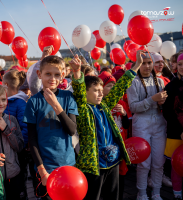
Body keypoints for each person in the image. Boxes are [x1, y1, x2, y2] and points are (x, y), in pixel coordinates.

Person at [70, 50, 141, 200]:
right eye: (95, 91)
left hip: (113, 162)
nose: (100, 94)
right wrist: (77, 72)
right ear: (86, 92)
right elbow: (78, 90)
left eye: (101, 90)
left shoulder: (104, 106)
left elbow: (119, 88)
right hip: (95, 165)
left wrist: (136, 66)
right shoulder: (83, 109)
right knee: (92, 196)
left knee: (113, 196)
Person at [23, 55, 79, 200]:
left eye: (56, 74)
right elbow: (32, 139)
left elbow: (72, 130)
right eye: (48, 74)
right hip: (45, 169)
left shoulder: (68, 97)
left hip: (68, 164)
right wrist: (42, 171)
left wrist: (56, 106)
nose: (52, 78)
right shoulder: (33, 102)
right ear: (39, 74)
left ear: (62, 76)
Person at [127, 52, 167, 200]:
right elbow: (133, 107)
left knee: (158, 162)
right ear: (138, 64)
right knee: (143, 163)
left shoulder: (160, 82)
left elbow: (164, 105)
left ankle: (156, 191)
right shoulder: (133, 82)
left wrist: (163, 102)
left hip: (159, 124)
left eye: (150, 62)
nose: (147, 66)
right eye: (143, 63)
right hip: (141, 124)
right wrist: (152, 99)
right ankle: (141, 193)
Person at [0, 83, 24, 200]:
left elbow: (19, 146)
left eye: (3, 99)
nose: (1, 103)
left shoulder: (12, 120)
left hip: (14, 175)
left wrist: (7, 130)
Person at [98, 71, 131, 200]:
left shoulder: (121, 103)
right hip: (106, 148)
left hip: (120, 145)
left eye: (114, 85)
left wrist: (123, 114)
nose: (113, 88)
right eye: (109, 85)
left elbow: (127, 126)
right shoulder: (100, 105)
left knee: (120, 175)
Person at [2, 70, 31, 198]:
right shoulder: (5, 101)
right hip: (6, 151)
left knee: (19, 185)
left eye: (2, 83)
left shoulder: (20, 103)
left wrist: (19, 147)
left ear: (6, 85)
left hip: (18, 152)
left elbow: (25, 128)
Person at [163, 53, 183, 200]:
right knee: (176, 164)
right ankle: (177, 193)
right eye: (180, 64)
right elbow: (167, 112)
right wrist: (180, 131)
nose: (182, 67)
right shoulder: (170, 86)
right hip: (175, 132)